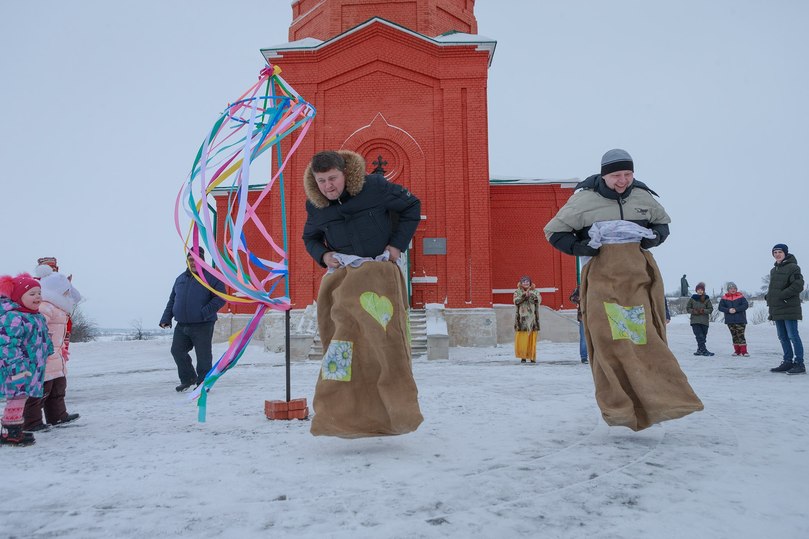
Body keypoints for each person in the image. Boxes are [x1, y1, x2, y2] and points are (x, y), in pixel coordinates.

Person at [544, 149, 702, 431]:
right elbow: (554, 232)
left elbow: (662, 225)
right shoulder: (583, 200)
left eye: (628, 174)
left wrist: (652, 239)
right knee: (608, 342)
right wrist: (583, 247)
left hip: (638, 277)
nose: (623, 180)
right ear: (604, 174)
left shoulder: (642, 196)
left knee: (645, 339)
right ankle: (619, 408)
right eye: (617, 175)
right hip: (604, 277)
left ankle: (668, 401)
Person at [302, 149, 423, 437]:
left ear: (346, 174)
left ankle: (396, 417)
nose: (328, 186)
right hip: (343, 283)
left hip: (379, 279)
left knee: (386, 349)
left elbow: (412, 206)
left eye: (332, 178)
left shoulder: (375, 187)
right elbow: (310, 237)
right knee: (341, 350)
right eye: (321, 181)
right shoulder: (316, 206)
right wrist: (323, 255)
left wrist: (397, 245)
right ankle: (339, 418)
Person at [23, 263, 83, 431]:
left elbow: (75, 297)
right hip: (44, 355)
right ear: (55, 290)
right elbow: (35, 328)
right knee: (41, 390)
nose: (67, 294)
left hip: (56, 354)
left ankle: (58, 416)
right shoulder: (46, 306)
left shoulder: (58, 307)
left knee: (58, 386)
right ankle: (31, 422)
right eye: (64, 290)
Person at [160, 247, 226, 392]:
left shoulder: (212, 277)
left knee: (203, 356)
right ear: (187, 261)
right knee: (177, 351)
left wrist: (204, 312)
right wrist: (166, 318)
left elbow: (221, 297)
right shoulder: (180, 279)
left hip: (203, 323)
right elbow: (173, 300)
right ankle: (188, 378)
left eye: (197, 260)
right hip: (182, 324)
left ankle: (203, 383)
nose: (193, 263)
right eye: (191, 260)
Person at [0, 274, 53, 446]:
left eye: (39, 293)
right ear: (18, 297)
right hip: (16, 367)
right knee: (16, 397)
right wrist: (16, 365)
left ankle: (13, 429)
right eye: (32, 294)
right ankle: (12, 432)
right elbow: (7, 345)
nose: (37, 297)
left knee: (21, 398)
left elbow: (44, 338)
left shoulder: (36, 316)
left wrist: (49, 350)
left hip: (31, 366)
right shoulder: (13, 318)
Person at [767, 244, 805, 375]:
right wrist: (769, 297)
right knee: (782, 337)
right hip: (777, 308)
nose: (777, 254)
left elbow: (798, 285)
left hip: (789, 307)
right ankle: (787, 361)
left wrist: (782, 295)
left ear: (785, 253)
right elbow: (774, 288)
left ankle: (799, 363)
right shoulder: (774, 270)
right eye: (775, 252)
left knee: (793, 336)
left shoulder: (793, 267)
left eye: (780, 252)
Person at [513, 276, 541, 364]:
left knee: (532, 338)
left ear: (530, 282)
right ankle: (523, 357)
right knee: (522, 339)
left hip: (533, 319)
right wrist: (523, 296)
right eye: (524, 282)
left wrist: (531, 296)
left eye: (527, 281)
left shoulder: (535, 291)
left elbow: (538, 300)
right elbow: (516, 301)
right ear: (521, 283)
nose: (526, 283)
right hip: (522, 319)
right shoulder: (517, 292)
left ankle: (532, 356)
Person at [718, 281, 749, 357]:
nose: (733, 289)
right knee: (734, 335)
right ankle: (737, 351)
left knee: (740, 335)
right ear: (728, 290)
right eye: (731, 288)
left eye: (734, 288)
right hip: (730, 320)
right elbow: (720, 307)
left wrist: (736, 309)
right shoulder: (724, 298)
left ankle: (744, 351)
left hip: (740, 320)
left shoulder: (741, 297)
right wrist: (728, 310)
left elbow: (745, 305)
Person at [686, 282, 715, 356]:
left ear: (703, 291)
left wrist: (703, 311)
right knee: (699, 336)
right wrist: (693, 311)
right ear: (696, 290)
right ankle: (704, 350)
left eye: (701, 290)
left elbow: (710, 309)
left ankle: (699, 350)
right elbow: (688, 308)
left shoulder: (707, 299)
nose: (700, 291)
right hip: (695, 321)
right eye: (698, 290)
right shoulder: (692, 298)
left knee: (703, 337)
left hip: (704, 321)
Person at [569, 286, 588, 363]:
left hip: (595, 317)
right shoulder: (580, 287)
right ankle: (584, 357)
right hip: (582, 316)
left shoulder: (596, 284)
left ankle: (597, 357)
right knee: (584, 338)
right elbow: (571, 297)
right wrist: (579, 299)